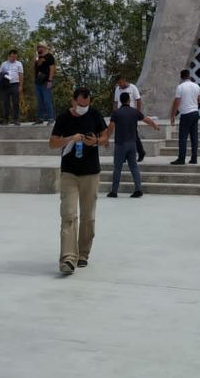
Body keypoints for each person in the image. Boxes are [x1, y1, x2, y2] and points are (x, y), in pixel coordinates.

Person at [49, 88, 108, 274]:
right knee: (68, 215)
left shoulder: (95, 114)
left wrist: (96, 141)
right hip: (69, 173)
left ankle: (83, 254)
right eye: (81, 104)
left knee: (88, 217)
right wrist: (69, 139)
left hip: (91, 173)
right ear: (73, 101)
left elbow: (106, 136)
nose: (84, 107)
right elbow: (52, 143)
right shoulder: (63, 118)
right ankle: (68, 258)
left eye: (87, 104)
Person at [107, 92, 159, 198]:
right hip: (132, 143)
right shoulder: (134, 112)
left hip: (120, 143)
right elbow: (146, 119)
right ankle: (138, 189)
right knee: (134, 167)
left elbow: (111, 127)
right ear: (129, 100)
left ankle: (114, 191)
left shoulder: (116, 113)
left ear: (121, 101)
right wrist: (154, 125)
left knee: (117, 168)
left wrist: (105, 139)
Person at [169, 69, 200, 165]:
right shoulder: (196, 86)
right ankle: (194, 158)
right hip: (195, 113)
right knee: (194, 137)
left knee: (183, 137)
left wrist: (172, 115)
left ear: (181, 77)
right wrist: (195, 106)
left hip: (186, 114)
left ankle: (181, 158)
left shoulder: (180, 87)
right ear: (189, 76)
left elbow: (176, 102)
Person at [113, 74, 146, 163]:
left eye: (120, 83)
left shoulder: (133, 88)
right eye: (118, 83)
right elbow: (116, 102)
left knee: (134, 135)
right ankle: (123, 156)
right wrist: (115, 113)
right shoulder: (117, 89)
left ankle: (141, 152)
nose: (119, 85)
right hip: (120, 115)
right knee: (122, 136)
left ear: (124, 80)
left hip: (131, 115)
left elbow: (138, 100)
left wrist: (137, 113)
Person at [0, 49, 24, 125]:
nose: (13, 58)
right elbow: (0, 74)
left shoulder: (19, 64)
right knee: (5, 102)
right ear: (8, 56)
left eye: (15, 57)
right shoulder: (4, 64)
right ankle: (6, 120)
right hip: (6, 85)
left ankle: (15, 119)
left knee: (16, 102)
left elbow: (21, 75)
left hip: (15, 84)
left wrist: (21, 86)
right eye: (12, 57)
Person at [33, 42, 56, 124]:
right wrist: (37, 58)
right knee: (40, 101)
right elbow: (36, 66)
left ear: (45, 47)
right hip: (38, 82)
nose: (39, 48)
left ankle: (51, 118)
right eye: (38, 47)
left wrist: (50, 80)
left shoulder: (49, 56)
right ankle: (40, 118)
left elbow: (52, 69)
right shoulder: (37, 57)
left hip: (46, 81)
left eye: (41, 47)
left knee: (47, 100)